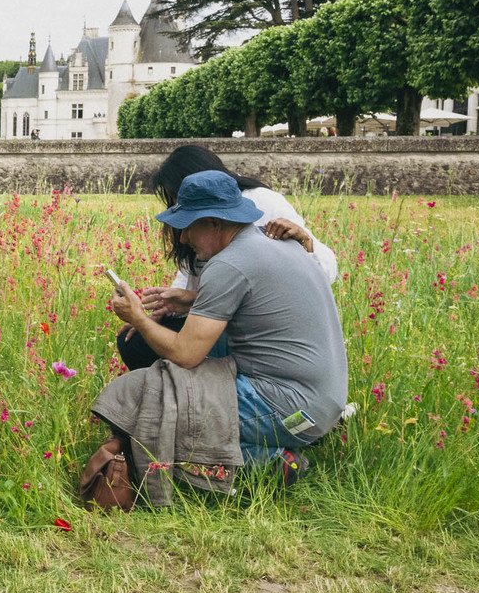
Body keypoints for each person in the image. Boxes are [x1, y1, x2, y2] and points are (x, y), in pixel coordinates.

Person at [109, 169, 347, 477]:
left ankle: (268, 463)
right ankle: (276, 445)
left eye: (188, 227)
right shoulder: (276, 243)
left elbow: (185, 354)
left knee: (153, 412)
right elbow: (259, 303)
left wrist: (137, 318)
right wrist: (193, 299)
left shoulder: (229, 264)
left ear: (214, 223)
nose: (182, 238)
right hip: (322, 404)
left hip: (290, 410)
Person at [116, 144, 337, 371]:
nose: (181, 235)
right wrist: (167, 309)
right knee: (136, 343)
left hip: (261, 331)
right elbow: (194, 274)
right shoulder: (205, 234)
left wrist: (305, 243)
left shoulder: (259, 205)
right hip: (224, 315)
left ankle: (196, 389)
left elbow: (320, 275)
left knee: (178, 353)